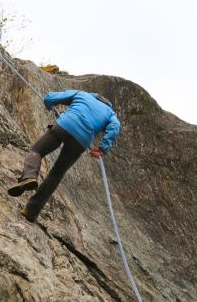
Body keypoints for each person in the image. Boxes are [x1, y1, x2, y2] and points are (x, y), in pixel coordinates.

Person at [7, 90, 121, 222]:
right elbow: (115, 127)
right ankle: (31, 211)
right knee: (57, 174)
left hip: (64, 125)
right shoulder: (110, 114)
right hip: (81, 141)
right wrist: (102, 148)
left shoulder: (83, 95)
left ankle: (29, 176)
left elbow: (50, 98)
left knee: (37, 151)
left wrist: (50, 106)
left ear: (95, 96)